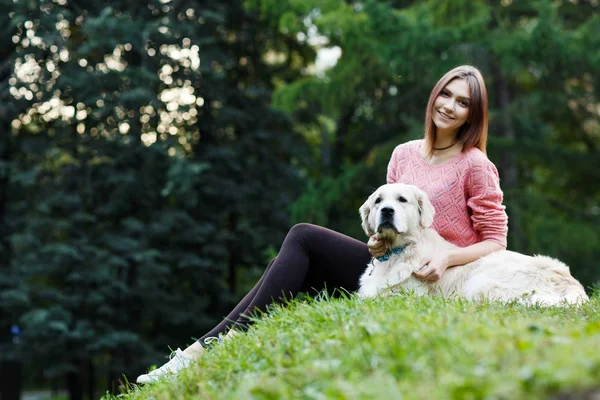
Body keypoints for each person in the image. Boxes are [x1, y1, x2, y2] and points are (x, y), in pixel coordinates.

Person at [136, 65, 508, 384]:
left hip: (432, 278)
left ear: (472, 116)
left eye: (463, 103)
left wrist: (446, 260)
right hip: (390, 268)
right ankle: (195, 355)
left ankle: (209, 347)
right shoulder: (403, 154)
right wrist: (379, 242)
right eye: (447, 94)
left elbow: (496, 241)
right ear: (434, 96)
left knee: (303, 238)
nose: (450, 106)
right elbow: (389, 226)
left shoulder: (474, 164)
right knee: (288, 266)